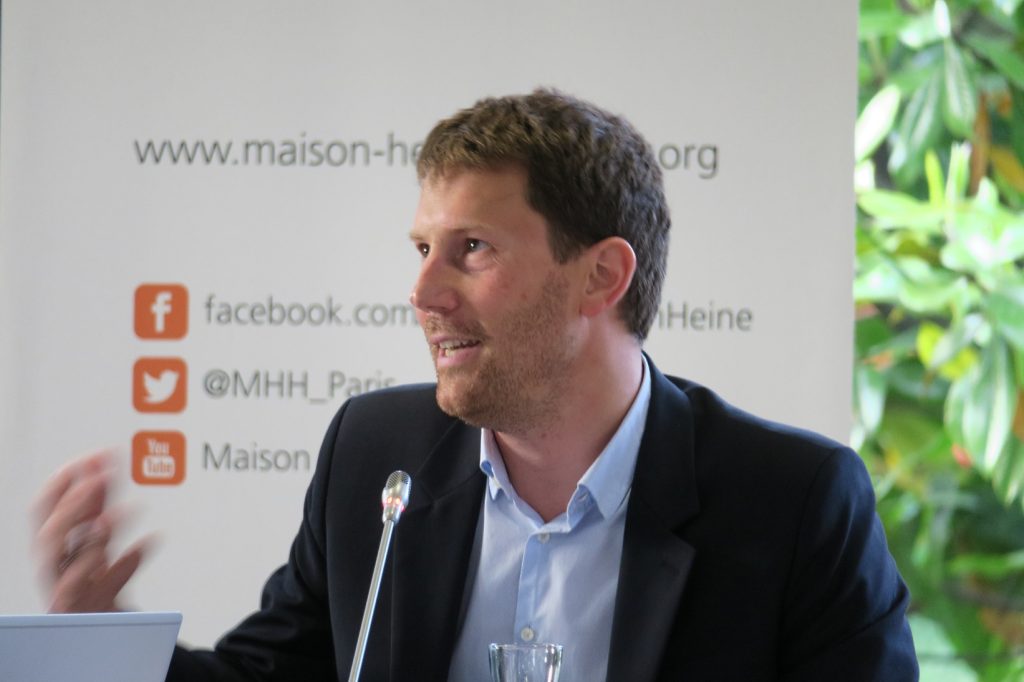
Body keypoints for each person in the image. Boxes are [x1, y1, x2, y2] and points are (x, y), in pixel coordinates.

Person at [33, 89, 918, 681]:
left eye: (472, 250)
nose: (422, 293)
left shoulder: (793, 503)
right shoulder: (376, 457)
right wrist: (105, 640)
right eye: (423, 249)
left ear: (602, 277)